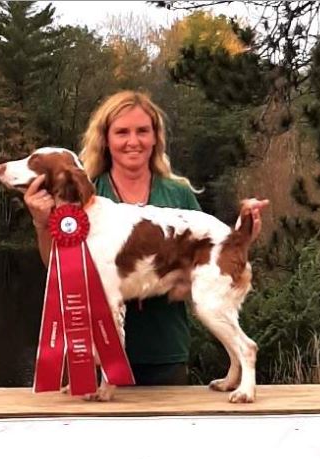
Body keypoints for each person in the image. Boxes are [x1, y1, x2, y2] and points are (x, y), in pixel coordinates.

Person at [23, 90, 262, 386]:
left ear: (155, 138)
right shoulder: (85, 192)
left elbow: (212, 249)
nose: (133, 141)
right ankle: (99, 374)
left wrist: (244, 234)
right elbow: (59, 269)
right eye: (122, 132)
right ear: (106, 140)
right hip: (94, 359)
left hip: (165, 355)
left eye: (142, 131)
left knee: (210, 308)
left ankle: (242, 371)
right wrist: (41, 222)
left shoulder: (178, 193)